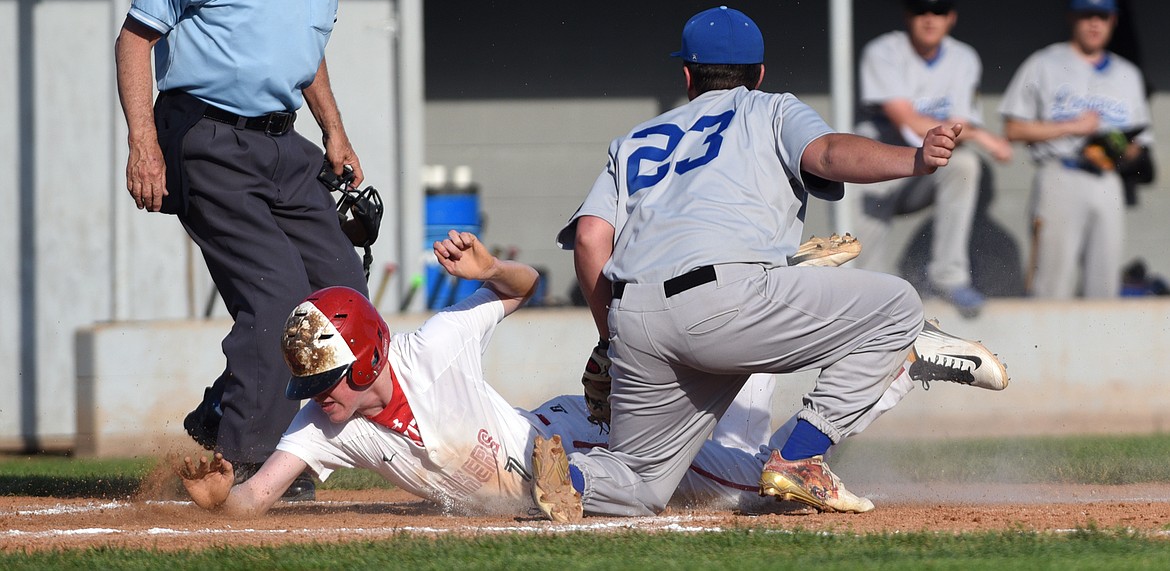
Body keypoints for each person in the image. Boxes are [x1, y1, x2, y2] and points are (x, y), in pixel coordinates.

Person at [537, 5, 1008, 522]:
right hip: (729, 301)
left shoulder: (633, 142)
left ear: (687, 75)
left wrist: (611, 340)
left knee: (642, 482)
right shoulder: (770, 108)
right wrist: (915, 160)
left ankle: (577, 476)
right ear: (759, 74)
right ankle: (803, 457)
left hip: (639, 318)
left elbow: (590, 240)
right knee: (897, 306)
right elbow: (827, 155)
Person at [176, 230, 1006, 518]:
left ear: (369, 355)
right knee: (736, 427)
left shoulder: (430, 346)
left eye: (329, 377)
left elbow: (529, 287)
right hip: (559, 460)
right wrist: (212, 493)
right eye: (315, 384)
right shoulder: (329, 422)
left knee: (758, 484)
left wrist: (490, 266)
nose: (321, 396)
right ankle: (785, 278)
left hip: (576, 448)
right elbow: (255, 496)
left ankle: (890, 361)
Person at [114, 0, 367, 501]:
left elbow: (304, 45)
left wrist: (335, 132)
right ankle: (254, 459)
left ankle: (228, 411)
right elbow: (135, 41)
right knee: (278, 298)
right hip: (205, 136)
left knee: (342, 293)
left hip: (285, 141)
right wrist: (144, 145)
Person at [853, 0, 1013, 317]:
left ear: (951, 17)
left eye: (938, 11)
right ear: (907, 16)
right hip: (877, 167)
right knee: (864, 278)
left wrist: (968, 134)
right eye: (920, 10)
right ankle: (870, 300)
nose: (929, 18)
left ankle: (948, 276)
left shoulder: (963, 57)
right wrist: (983, 136)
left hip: (922, 171)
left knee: (965, 164)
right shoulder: (884, 51)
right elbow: (905, 119)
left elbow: (956, 126)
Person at [1000, 0, 1155, 299]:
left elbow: (1140, 145)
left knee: (1104, 286)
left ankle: (1099, 351)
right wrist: (1071, 127)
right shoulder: (1044, 63)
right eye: (1087, 15)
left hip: (1107, 180)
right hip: (1060, 173)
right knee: (1050, 285)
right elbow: (1013, 128)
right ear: (1073, 18)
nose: (1094, 23)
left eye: (1102, 16)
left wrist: (1122, 150)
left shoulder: (1129, 73)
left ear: (1113, 20)